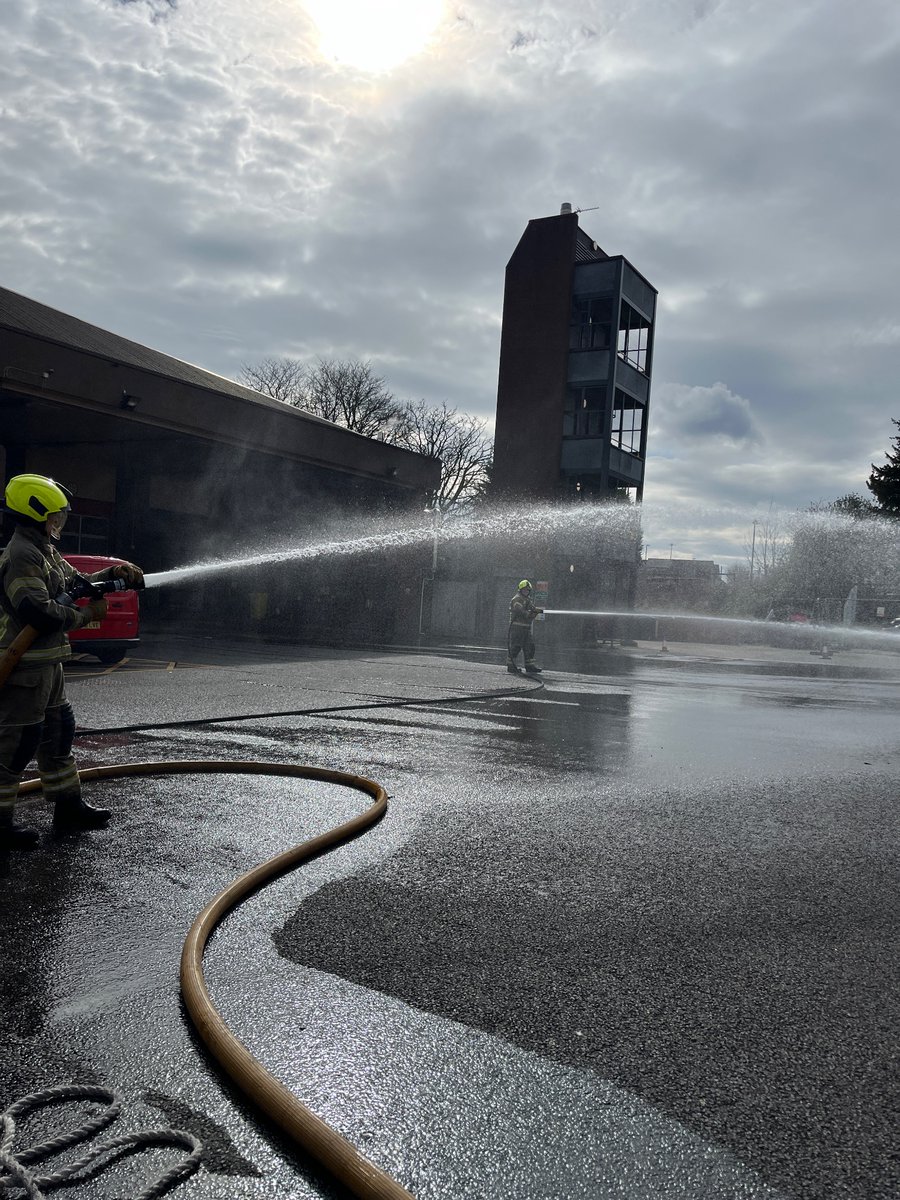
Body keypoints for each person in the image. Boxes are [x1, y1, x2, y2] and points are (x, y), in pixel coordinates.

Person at [0, 474, 144, 849]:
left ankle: (68, 807)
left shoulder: (44, 550)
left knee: (59, 733)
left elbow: (74, 584)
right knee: (18, 744)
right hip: (25, 669)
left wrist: (113, 575)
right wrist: (86, 616)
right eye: (54, 517)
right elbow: (40, 612)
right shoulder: (21, 555)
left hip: (49, 666)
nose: (58, 524)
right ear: (34, 514)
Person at [507, 579, 543, 675]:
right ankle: (511, 666)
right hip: (517, 628)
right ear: (520, 590)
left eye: (527, 590)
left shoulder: (528, 600)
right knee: (515, 647)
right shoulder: (517, 598)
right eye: (524, 590)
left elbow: (532, 609)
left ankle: (529, 666)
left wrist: (536, 611)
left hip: (526, 629)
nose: (526, 592)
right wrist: (528, 613)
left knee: (530, 647)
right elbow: (519, 609)